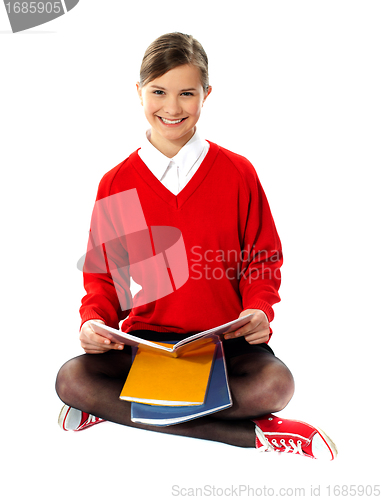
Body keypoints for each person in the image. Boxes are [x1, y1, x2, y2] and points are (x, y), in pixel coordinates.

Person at [55, 32, 337, 460]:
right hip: (147, 345)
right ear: (139, 92)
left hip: (225, 344)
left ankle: (113, 410)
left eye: (187, 93)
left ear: (206, 94)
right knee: (71, 380)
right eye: (159, 92)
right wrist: (92, 323)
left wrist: (259, 309)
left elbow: (262, 258)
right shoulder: (118, 183)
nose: (171, 107)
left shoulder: (237, 174)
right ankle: (252, 436)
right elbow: (104, 277)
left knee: (276, 386)